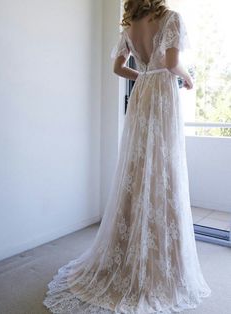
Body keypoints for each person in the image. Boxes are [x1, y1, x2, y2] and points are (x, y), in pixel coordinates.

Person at [43, 1, 211, 313]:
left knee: (137, 165)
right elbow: (173, 61)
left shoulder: (129, 25)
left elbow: (118, 68)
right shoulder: (171, 18)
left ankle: (131, 245)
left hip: (143, 92)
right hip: (162, 95)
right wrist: (187, 77)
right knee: (164, 166)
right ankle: (159, 258)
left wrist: (143, 75)